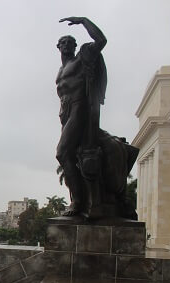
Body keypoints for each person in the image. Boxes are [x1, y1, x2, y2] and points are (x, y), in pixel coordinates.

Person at [55, 16, 106, 217]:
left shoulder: (82, 57)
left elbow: (101, 41)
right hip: (66, 113)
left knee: (62, 152)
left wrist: (84, 21)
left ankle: (78, 201)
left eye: (70, 42)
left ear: (75, 47)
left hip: (80, 108)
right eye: (63, 42)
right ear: (58, 47)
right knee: (71, 155)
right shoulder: (60, 71)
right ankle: (80, 200)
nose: (67, 45)